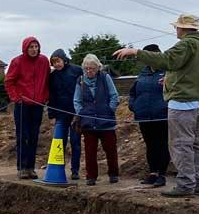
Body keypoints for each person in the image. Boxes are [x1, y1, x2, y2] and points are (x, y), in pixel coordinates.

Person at [113, 14, 199, 198]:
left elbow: (166, 60)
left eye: (177, 27)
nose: (176, 30)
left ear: (183, 28)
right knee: (196, 143)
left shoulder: (186, 44)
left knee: (181, 144)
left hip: (183, 102)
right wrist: (171, 79)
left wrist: (136, 52)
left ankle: (185, 184)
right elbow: (188, 70)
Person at [4, 36, 50, 179]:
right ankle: (22, 167)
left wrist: (45, 97)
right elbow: (9, 81)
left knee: (34, 137)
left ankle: (31, 167)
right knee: (23, 136)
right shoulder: (17, 62)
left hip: (37, 105)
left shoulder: (43, 61)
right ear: (25, 48)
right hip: (23, 105)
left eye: (36, 46)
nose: (34, 49)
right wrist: (16, 98)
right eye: (31, 47)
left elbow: (48, 79)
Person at [72, 54, 120, 185]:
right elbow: (76, 100)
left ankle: (113, 174)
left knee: (110, 149)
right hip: (88, 122)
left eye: (91, 68)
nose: (89, 71)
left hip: (106, 121)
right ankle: (91, 176)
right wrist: (81, 113)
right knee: (90, 151)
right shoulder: (80, 80)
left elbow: (114, 96)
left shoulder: (105, 78)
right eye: (86, 68)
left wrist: (110, 110)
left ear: (98, 68)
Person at [128, 44, 170, 187]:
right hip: (144, 115)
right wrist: (133, 106)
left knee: (162, 144)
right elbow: (133, 92)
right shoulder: (143, 73)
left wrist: (166, 107)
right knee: (150, 144)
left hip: (162, 115)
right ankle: (153, 173)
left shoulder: (167, 72)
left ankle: (162, 174)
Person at [48, 48, 83, 180]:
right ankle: (59, 169)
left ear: (64, 59)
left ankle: (75, 170)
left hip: (75, 114)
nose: (56, 64)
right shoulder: (52, 77)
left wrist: (82, 111)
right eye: (53, 62)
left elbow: (83, 89)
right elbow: (51, 96)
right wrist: (52, 114)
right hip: (60, 114)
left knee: (75, 142)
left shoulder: (77, 70)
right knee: (59, 143)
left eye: (58, 61)